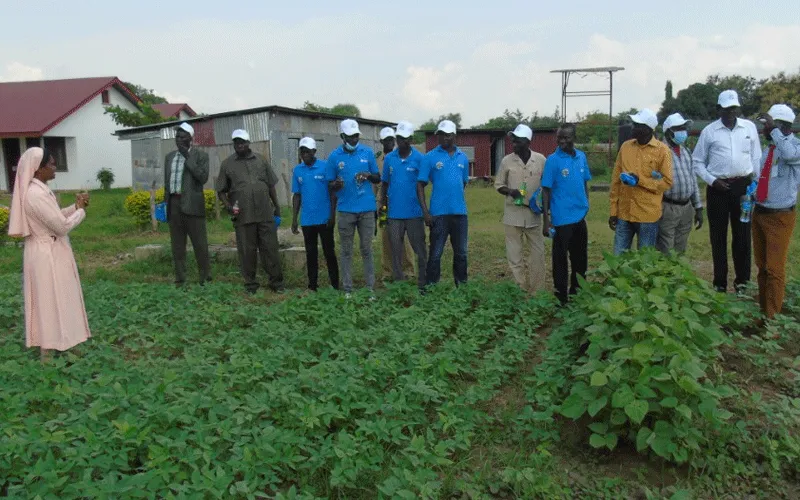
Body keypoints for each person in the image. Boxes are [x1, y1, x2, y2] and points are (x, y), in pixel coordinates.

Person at [8, 147, 91, 362]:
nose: (55, 168)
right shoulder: (35, 195)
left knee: (60, 298)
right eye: (52, 164)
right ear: (38, 169)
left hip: (50, 251)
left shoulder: (41, 191)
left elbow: (54, 217)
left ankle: (64, 342)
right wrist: (80, 211)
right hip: (46, 254)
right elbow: (61, 227)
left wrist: (75, 207)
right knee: (48, 300)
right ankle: (48, 349)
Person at [693, 90, 762, 292]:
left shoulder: (748, 128)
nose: (731, 112)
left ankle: (742, 283)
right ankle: (720, 283)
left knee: (742, 235)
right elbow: (697, 162)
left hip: (743, 189)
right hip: (718, 189)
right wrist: (712, 181)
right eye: (727, 108)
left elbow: (756, 158)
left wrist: (754, 185)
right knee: (718, 236)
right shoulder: (709, 132)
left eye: (734, 108)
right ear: (718, 109)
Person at [216, 129, 284, 294]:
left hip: (265, 213)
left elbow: (271, 186)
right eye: (236, 142)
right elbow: (221, 191)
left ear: (248, 142)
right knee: (247, 251)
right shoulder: (227, 164)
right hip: (243, 216)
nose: (239, 144)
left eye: (242, 141)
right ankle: (251, 285)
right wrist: (229, 207)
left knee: (270, 249)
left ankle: (277, 284)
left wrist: (277, 207)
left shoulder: (261, 160)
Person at [752, 104, 800, 318]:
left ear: (781, 127)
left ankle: (773, 321)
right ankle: (764, 314)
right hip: (760, 212)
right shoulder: (768, 150)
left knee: (774, 270)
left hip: (780, 216)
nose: (764, 130)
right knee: (762, 268)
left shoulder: (795, 148)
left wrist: (775, 130)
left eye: (768, 126)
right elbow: (762, 178)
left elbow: (789, 155)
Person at [327, 119, 381, 298]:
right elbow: (329, 184)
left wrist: (367, 175)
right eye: (350, 137)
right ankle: (348, 288)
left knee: (366, 249)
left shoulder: (367, 152)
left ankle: (370, 288)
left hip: (366, 208)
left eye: (356, 136)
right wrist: (336, 184)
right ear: (342, 136)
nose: (353, 140)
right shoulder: (334, 157)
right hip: (345, 210)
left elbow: (377, 177)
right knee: (346, 250)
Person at [609, 109, 673, 254]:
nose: (633, 127)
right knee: (618, 257)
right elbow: (615, 181)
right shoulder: (625, 147)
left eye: (637, 124)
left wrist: (640, 181)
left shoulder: (662, 151)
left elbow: (667, 182)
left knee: (645, 260)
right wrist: (613, 210)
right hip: (624, 214)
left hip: (647, 216)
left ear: (647, 129)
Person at [542, 123, 591, 305]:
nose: (562, 141)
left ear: (574, 138)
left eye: (566, 137)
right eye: (559, 137)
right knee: (560, 261)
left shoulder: (581, 157)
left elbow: (585, 181)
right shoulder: (553, 160)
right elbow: (546, 190)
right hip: (561, 219)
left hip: (580, 217)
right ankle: (560, 297)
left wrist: (586, 202)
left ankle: (578, 294)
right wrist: (546, 221)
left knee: (580, 259)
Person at [417, 119, 470, 286]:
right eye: (440, 135)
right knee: (435, 253)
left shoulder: (463, 158)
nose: (443, 139)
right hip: (438, 214)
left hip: (460, 214)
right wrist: (425, 212)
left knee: (461, 253)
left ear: (454, 136)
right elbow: (420, 184)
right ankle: (431, 288)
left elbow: (463, 183)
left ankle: (461, 287)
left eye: (447, 135)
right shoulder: (430, 157)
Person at [494, 124, 546, 293]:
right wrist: (510, 191)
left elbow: (546, 187)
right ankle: (520, 290)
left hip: (534, 215)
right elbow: (498, 184)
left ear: (528, 141)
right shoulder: (507, 161)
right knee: (514, 257)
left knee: (537, 256)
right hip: (513, 214)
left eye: (518, 141)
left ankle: (537, 292)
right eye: (513, 141)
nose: (514, 144)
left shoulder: (540, 160)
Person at [381, 121, 428, 290]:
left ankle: (423, 283)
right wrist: (383, 206)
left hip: (414, 213)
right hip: (394, 214)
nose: (403, 142)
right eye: (400, 138)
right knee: (396, 250)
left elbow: (423, 184)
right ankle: (399, 283)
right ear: (396, 139)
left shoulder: (420, 159)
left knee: (419, 250)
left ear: (411, 139)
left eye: (406, 138)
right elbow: (385, 184)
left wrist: (424, 210)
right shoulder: (389, 159)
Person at [164, 122, 211, 286]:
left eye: (182, 137)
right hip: (174, 204)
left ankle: (205, 279)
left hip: (193, 205)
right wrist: (166, 205)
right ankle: (180, 279)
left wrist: (187, 156)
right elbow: (167, 182)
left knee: (200, 245)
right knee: (177, 246)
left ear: (190, 139)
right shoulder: (169, 157)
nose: (178, 140)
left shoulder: (201, 156)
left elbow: (202, 177)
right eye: (177, 136)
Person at [291, 137, 340, 291]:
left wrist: (332, 215)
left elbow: (333, 193)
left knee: (329, 252)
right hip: (307, 220)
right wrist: (294, 218)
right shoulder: (297, 170)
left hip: (324, 218)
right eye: (302, 151)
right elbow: (297, 195)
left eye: (307, 151)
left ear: (314, 151)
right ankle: (312, 286)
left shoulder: (325, 167)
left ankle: (335, 285)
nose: (304, 154)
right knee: (311, 254)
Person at [657, 113, 704, 254]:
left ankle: (678, 274)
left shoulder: (686, 151)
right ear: (668, 131)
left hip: (686, 207)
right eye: (678, 129)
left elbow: (692, 180)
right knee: (665, 248)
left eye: (684, 128)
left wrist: (698, 207)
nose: (682, 132)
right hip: (667, 206)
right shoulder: (659, 151)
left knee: (680, 248)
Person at [376, 126, 415, 281]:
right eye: (386, 140)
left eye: (392, 139)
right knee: (386, 238)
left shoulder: (402, 157)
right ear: (381, 141)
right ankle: (388, 271)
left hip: (402, 203)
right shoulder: (377, 160)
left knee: (405, 238)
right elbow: (376, 185)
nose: (390, 143)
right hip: (385, 205)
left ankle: (408, 270)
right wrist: (377, 205)